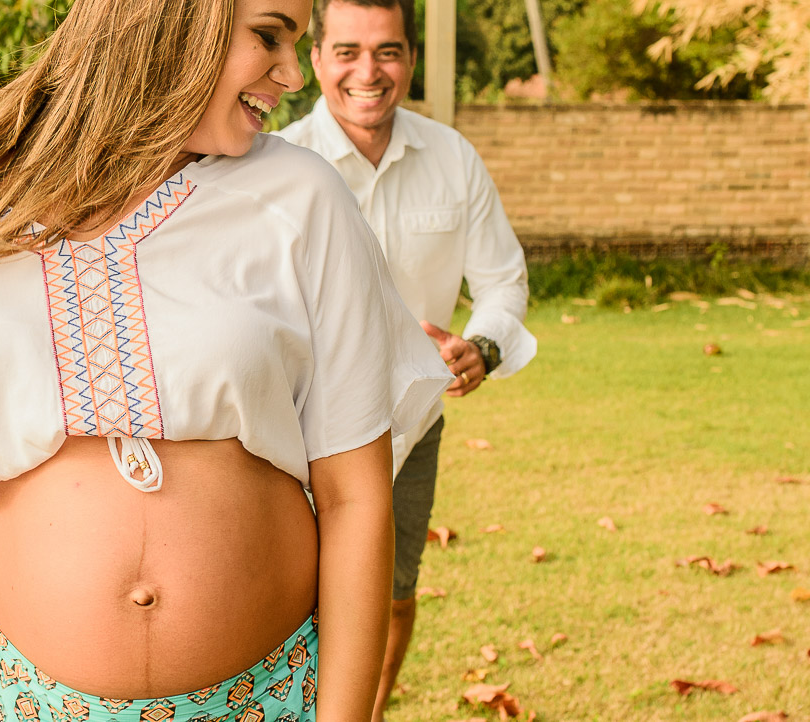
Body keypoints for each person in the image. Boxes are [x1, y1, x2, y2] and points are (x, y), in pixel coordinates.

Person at [0, 0, 453, 719]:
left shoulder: (303, 199)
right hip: (29, 704)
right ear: (170, 17)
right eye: (268, 35)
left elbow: (356, 499)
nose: (292, 74)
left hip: (270, 695)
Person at [276, 1, 537, 717]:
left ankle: (367, 711)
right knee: (292, 593)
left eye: (388, 51)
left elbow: (503, 281)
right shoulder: (280, 166)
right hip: (299, 433)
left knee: (392, 590)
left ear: (411, 60)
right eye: (349, 51)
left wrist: (478, 347)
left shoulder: (452, 157)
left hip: (412, 426)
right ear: (317, 58)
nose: (369, 71)